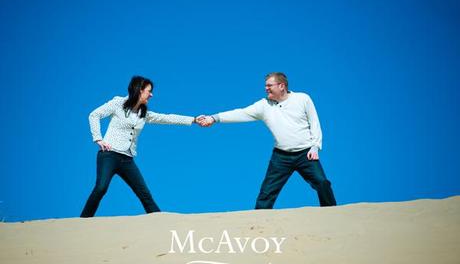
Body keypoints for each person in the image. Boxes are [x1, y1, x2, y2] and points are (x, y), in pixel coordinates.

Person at [197, 72, 336, 209]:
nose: (266, 88)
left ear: (281, 86)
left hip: (306, 153)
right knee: (266, 193)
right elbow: (240, 113)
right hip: (281, 157)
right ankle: (258, 225)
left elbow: (315, 123)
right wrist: (213, 118)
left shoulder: (302, 98)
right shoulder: (263, 106)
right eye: (265, 85)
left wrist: (315, 146)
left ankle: (331, 215)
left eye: (269, 85)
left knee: (322, 183)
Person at [81, 75, 197, 217]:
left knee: (144, 194)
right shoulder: (118, 103)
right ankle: (82, 221)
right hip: (109, 155)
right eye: (149, 91)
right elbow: (94, 115)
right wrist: (98, 138)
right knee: (101, 188)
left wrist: (194, 120)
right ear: (139, 90)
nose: (152, 95)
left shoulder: (144, 113)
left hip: (127, 159)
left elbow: (167, 118)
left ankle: (161, 223)